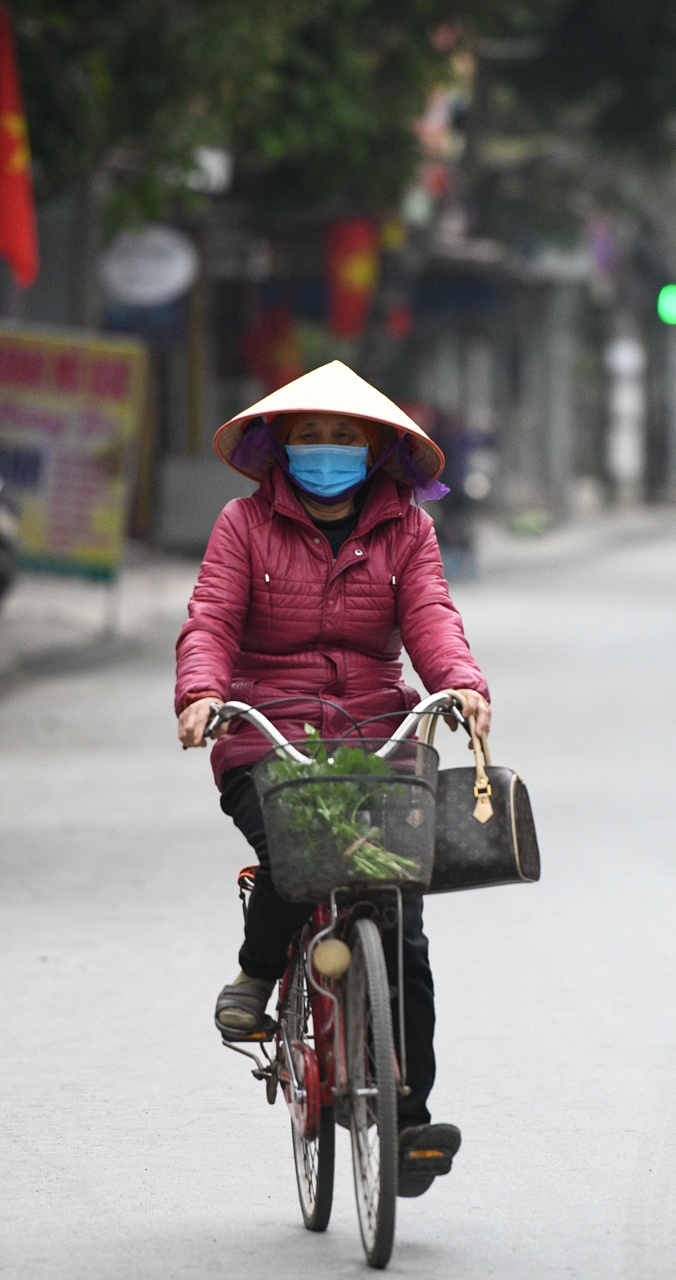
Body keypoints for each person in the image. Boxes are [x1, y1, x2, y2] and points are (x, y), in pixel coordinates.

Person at [174, 360, 491, 1196]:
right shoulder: (242, 526)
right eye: (310, 436)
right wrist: (203, 694)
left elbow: (430, 616)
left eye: (344, 437)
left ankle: (409, 1117)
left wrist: (460, 683)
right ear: (281, 447)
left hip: (378, 740)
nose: (326, 450)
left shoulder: (409, 532)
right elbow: (210, 616)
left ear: (378, 449)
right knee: (292, 852)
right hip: (264, 737)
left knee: (403, 924)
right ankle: (256, 970)